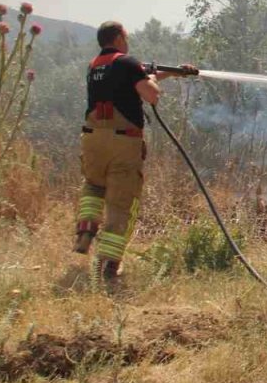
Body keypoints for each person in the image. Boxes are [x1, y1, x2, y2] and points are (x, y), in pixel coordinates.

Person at [74, 21, 191, 284]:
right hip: (122, 143)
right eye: (125, 37)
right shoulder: (128, 62)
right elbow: (151, 94)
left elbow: (130, 80)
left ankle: (85, 231)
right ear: (118, 37)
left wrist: (169, 73)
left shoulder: (95, 66)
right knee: (121, 203)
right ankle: (108, 266)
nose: (127, 42)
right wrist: (152, 79)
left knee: (94, 186)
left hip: (92, 139)